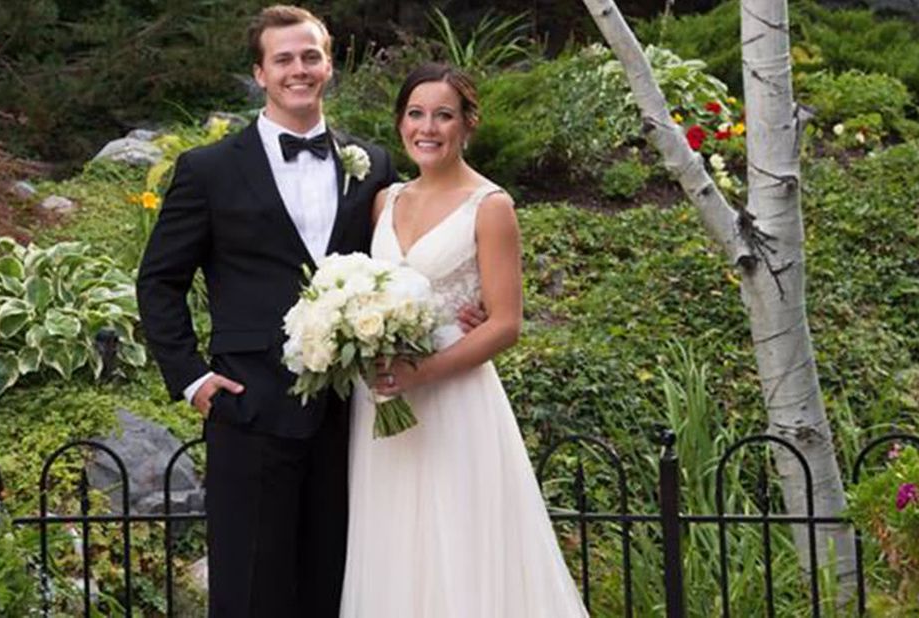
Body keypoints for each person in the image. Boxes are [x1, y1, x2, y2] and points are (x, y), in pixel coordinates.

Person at [136, 6, 400, 617]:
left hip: (349, 417)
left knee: (334, 586)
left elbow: (402, 259)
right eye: (283, 58)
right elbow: (159, 281)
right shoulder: (208, 170)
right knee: (249, 591)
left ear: (328, 65)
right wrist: (193, 380)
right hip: (249, 408)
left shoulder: (372, 163)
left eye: (310, 56)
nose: (298, 69)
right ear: (260, 73)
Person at [340, 63, 590, 617]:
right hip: (380, 402)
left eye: (444, 115)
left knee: (461, 542)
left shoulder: (491, 205)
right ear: (400, 121)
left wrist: (422, 372)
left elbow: (505, 323)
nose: (427, 128)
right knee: (393, 541)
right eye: (415, 113)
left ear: (468, 124)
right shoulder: (386, 200)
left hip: (453, 397)